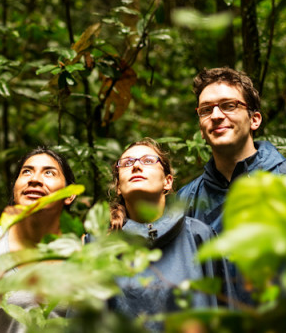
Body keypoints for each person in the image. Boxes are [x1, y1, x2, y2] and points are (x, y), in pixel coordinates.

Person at [176, 67, 286, 324]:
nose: (216, 116)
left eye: (228, 105)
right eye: (206, 109)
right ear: (200, 124)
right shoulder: (186, 199)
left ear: (255, 120)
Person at [95, 138, 232, 329]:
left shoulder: (198, 235)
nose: (135, 166)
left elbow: (226, 312)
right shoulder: (100, 245)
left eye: (148, 161)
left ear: (167, 182)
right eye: (126, 163)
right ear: (118, 187)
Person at [0, 147, 76, 332]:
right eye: (26, 171)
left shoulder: (84, 250)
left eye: (49, 172)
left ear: (69, 195)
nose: (34, 179)